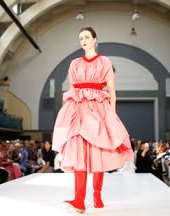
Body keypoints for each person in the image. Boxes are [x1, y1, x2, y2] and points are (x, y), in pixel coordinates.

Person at [52, 27, 134, 213]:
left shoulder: (104, 62)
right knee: (78, 153)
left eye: (87, 37)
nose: (84, 40)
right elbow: (73, 90)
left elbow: (112, 92)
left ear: (95, 39)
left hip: (98, 109)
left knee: (98, 152)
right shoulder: (74, 64)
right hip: (79, 110)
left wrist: (112, 115)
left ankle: (97, 194)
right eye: (81, 37)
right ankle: (79, 200)